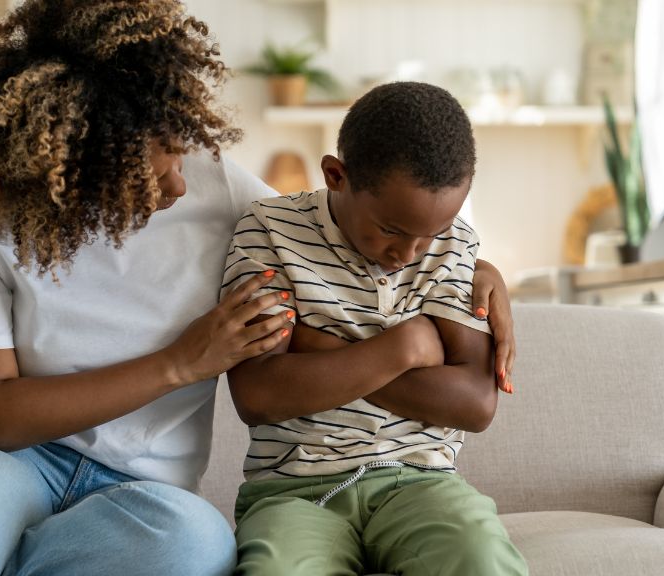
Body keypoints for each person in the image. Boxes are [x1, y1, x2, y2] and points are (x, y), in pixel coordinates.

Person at [0, 3, 517, 576]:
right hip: (1, 461)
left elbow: (339, 233)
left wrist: (475, 272)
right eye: (154, 161)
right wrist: (179, 364)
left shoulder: (218, 188)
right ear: (76, 157)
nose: (181, 179)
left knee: (195, 549)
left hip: (143, 489)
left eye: (182, 147)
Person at [222, 81, 528, 575]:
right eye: (390, 230)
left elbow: (474, 404)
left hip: (423, 485)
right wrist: (404, 347)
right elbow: (258, 394)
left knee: (481, 557)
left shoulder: (455, 246)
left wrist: (318, 347)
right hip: (293, 490)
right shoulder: (270, 231)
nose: (408, 255)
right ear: (336, 175)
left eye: (429, 235)